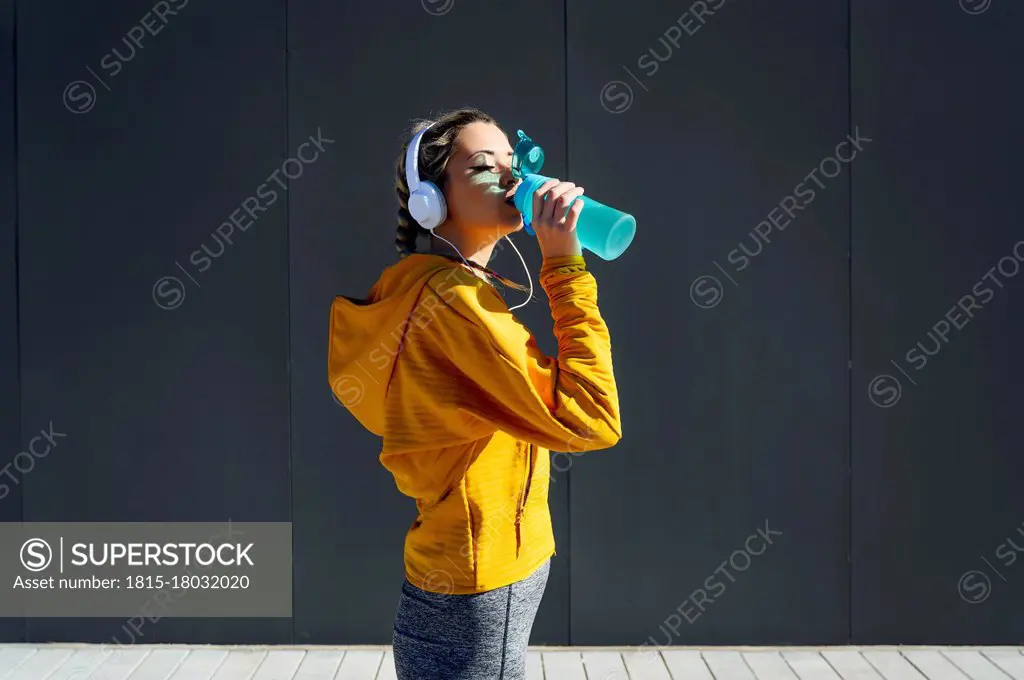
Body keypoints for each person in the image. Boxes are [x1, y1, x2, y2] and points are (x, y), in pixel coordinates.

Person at [328, 107, 623, 680]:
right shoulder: (456, 302)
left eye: (514, 162)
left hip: (454, 575)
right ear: (430, 201)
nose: (513, 180)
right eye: (484, 167)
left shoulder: (415, 283)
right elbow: (592, 418)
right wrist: (564, 265)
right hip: (481, 579)